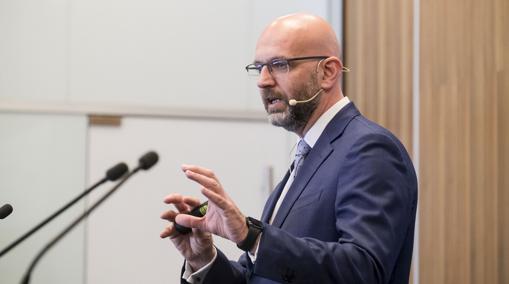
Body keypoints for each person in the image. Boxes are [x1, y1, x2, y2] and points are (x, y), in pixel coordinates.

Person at [160, 13, 418, 284]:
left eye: (279, 65)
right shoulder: (305, 156)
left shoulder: (369, 149)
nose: (263, 80)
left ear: (328, 72)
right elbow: (258, 277)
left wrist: (251, 235)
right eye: (258, 67)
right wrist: (204, 259)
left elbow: (364, 270)